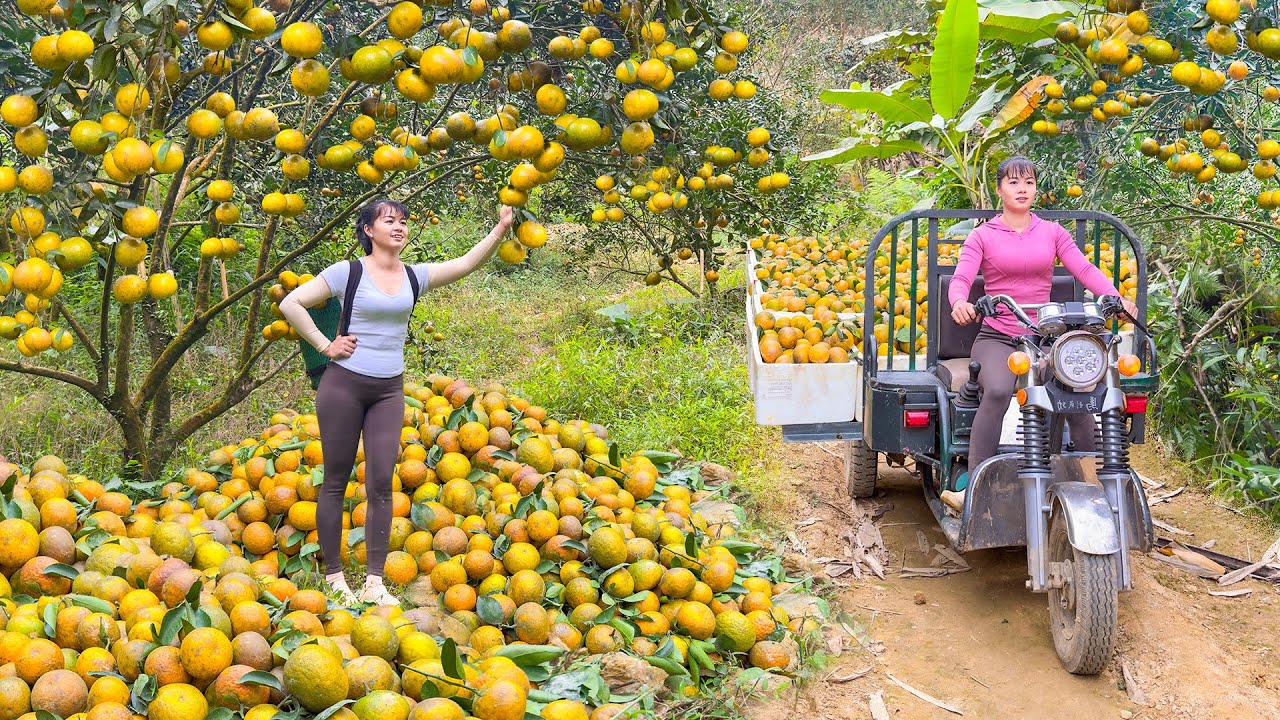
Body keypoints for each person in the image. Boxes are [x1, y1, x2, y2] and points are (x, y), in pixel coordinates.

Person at [279, 199, 514, 604]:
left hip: (388, 389)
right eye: (389, 221)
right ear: (369, 230)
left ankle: (374, 582)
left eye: (404, 221)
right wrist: (324, 344)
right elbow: (290, 303)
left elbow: (464, 265)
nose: (399, 227)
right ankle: (335, 577)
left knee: (381, 485)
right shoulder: (347, 272)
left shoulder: (413, 276)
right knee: (335, 482)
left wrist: (500, 229)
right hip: (344, 385)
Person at [945, 157, 1137, 501]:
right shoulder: (982, 235)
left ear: (1036, 188)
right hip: (998, 337)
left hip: (1045, 338)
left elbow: (1084, 268)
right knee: (1000, 390)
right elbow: (961, 277)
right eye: (1014, 182)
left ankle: (1097, 486)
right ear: (999, 189)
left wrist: (1115, 298)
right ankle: (974, 489)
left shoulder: (1051, 232)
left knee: (1078, 393)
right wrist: (960, 301)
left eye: (1029, 182)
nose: (1022, 189)